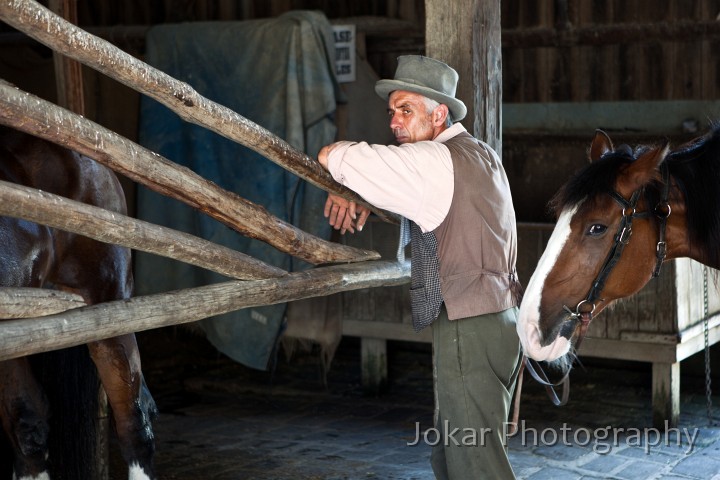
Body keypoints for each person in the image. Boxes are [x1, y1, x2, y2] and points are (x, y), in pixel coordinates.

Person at [317, 55, 522, 479]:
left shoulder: (432, 159)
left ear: (439, 113)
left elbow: (334, 156)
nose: (394, 122)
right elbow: (421, 201)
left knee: (476, 467)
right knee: (453, 458)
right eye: (392, 111)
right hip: (500, 321)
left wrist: (344, 179)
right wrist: (363, 196)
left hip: (468, 325)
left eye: (406, 110)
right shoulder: (481, 155)